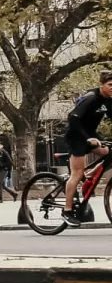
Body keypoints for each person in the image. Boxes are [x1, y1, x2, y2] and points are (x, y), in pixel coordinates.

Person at [62, 72, 112, 226]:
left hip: (92, 134)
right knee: (76, 174)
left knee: (109, 153)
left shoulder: (109, 100)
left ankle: (89, 175)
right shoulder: (91, 97)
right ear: (101, 85)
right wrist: (86, 138)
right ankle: (67, 210)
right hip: (76, 135)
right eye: (110, 85)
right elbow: (73, 118)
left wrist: (92, 137)